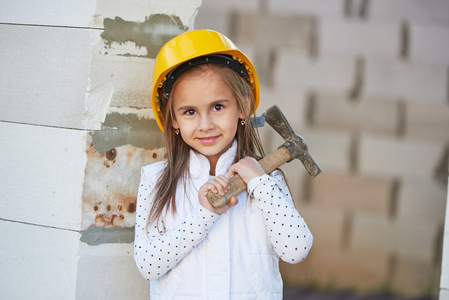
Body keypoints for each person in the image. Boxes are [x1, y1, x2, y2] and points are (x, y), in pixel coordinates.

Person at [134, 29, 313, 299]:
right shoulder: (156, 179)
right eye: (190, 112)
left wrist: (260, 183)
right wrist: (203, 215)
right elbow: (148, 265)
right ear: (173, 119)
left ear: (242, 107)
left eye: (218, 107)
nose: (206, 125)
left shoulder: (266, 181)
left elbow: (297, 250)